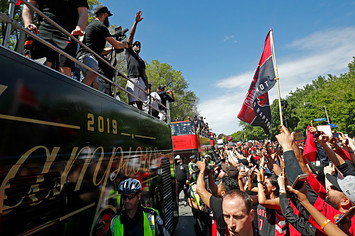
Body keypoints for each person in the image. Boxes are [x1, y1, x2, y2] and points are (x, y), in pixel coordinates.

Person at [22, 0, 89, 77]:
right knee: (40, 60)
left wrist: (80, 27)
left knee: (64, 65)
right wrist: (28, 23)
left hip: (67, 33)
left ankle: (63, 87)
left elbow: (83, 11)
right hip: (43, 28)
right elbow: (28, 5)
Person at [76, 6, 129, 90]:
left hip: (89, 56)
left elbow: (100, 51)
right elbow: (117, 45)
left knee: (95, 85)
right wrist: (125, 44)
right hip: (86, 55)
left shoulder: (94, 25)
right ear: (105, 15)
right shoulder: (100, 26)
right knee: (92, 74)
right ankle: (76, 92)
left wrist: (112, 48)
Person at [196, 159, 239, 235]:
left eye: (220, 184)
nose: (218, 185)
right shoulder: (234, 201)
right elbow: (213, 190)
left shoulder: (220, 205)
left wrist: (202, 171)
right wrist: (210, 174)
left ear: (223, 193)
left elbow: (200, 190)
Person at [125, 11, 147, 110]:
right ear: (132, 47)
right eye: (136, 44)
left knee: (140, 105)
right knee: (132, 103)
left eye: (139, 45)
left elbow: (145, 74)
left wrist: (148, 87)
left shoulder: (141, 60)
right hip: (132, 79)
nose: (138, 46)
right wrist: (136, 22)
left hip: (141, 81)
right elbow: (130, 37)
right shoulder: (129, 53)